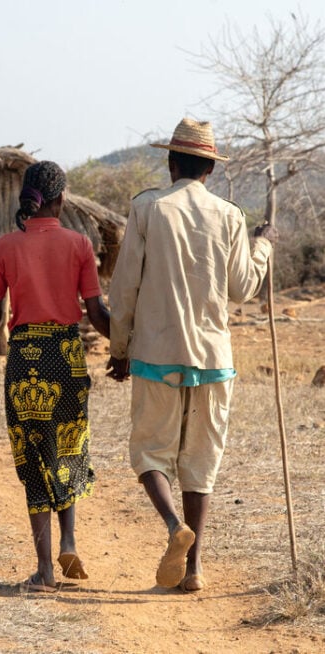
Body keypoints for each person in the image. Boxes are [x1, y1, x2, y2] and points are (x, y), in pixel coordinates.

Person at [107, 118, 278, 592]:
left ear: (172, 162)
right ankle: (195, 569)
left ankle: (171, 527)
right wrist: (262, 246)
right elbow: (243, 287)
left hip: (156, 355)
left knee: (150, 454)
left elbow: (124, 290)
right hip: (213, 359)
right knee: (200, 463)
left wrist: (120, 349)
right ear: (210, 169)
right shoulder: (229, 215)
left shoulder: (147, 208)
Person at [0, 161, 111, 593]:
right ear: (61, 199)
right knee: (68, 446)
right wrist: (125, 347)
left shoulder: (5, 247)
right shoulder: (79, 244)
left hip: (25, 357)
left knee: (34, 458)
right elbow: (96, 312)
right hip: (67, 356)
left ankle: (45, 570)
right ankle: (69, 539)